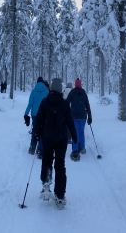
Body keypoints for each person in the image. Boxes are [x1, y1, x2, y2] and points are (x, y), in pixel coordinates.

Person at [35, 78, 77, 210]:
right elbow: (70, 120)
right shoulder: (64, 104)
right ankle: (59, 195)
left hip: (47, 137)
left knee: (46, 159)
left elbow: (39, 119)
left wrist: (37, 133)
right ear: (60, 89)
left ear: (51, 88)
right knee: (60, 165)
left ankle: (46, 183)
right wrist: (74, 134)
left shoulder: (45, 102)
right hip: (61, 139)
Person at [66, 78, 92, 162]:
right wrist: (90, 117)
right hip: (83, 117)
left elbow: (66, 103)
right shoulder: (83, 92)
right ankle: (82, 148)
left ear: (75, 84)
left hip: (74, 116)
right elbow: (87, 105)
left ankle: (75, 150)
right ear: (80, 84)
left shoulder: (72, 92)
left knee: (75, 132)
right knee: (81, 132)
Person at [23, 76, 49, 158]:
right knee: (42, 131)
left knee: (35, 129)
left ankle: (32, 147)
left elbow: (30, 103)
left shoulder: (33, 91)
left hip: (34, 114)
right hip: (44, 114)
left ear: (37, 82)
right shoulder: (46, 92)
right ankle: (41, 149)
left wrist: (26, 114)